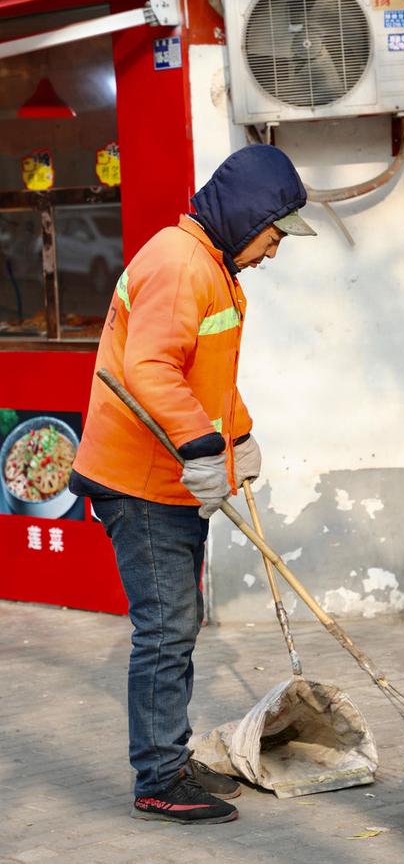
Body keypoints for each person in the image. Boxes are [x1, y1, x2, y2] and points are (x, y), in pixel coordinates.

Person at [69, 144, 315, 825]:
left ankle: (170, 757)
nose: (273, 251)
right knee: (167, 626)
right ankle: (157, 776)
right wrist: (204, 446)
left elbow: (206, 377)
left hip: (173, 478)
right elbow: (150, 371)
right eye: (273, 234)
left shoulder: (215, 266)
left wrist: (238, 435)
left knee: (180, 623)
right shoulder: (180, 266)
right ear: (245, 215)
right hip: (139, 481)